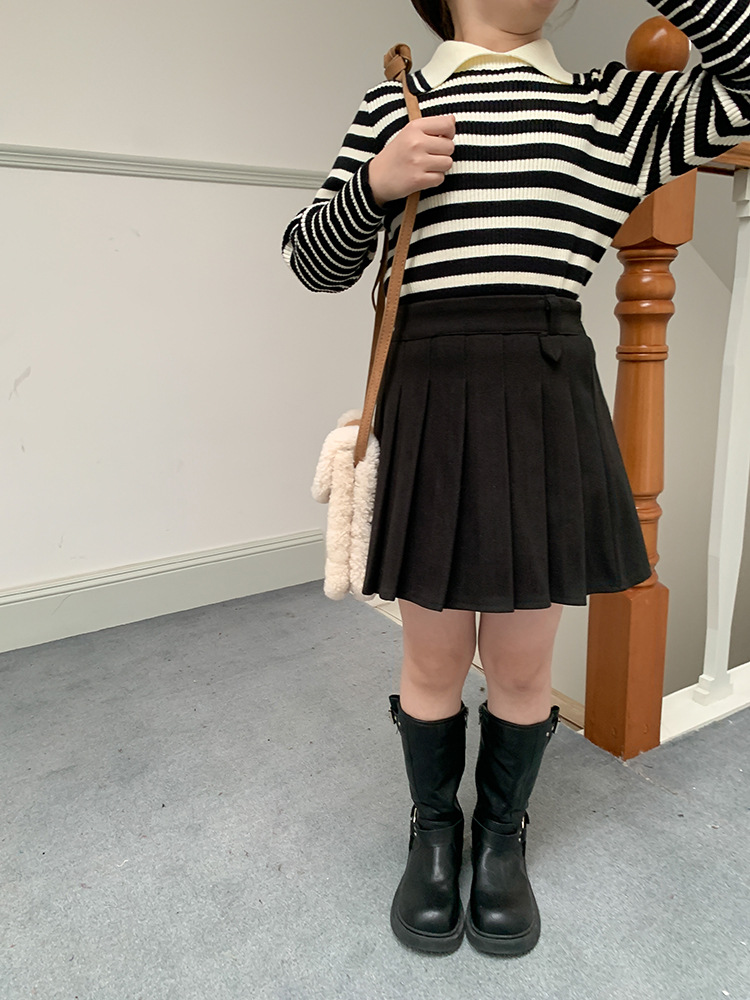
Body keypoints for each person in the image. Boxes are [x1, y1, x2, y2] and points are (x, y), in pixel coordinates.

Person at [282, 0, 750, 957]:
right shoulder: (394, 103)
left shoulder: (611, 107)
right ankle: (434, 833)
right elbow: (311, 263)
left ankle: (502, 837)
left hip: (542, 398)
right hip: (428, 396)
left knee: (526, 665)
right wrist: (374, 184)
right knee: (432, 660)